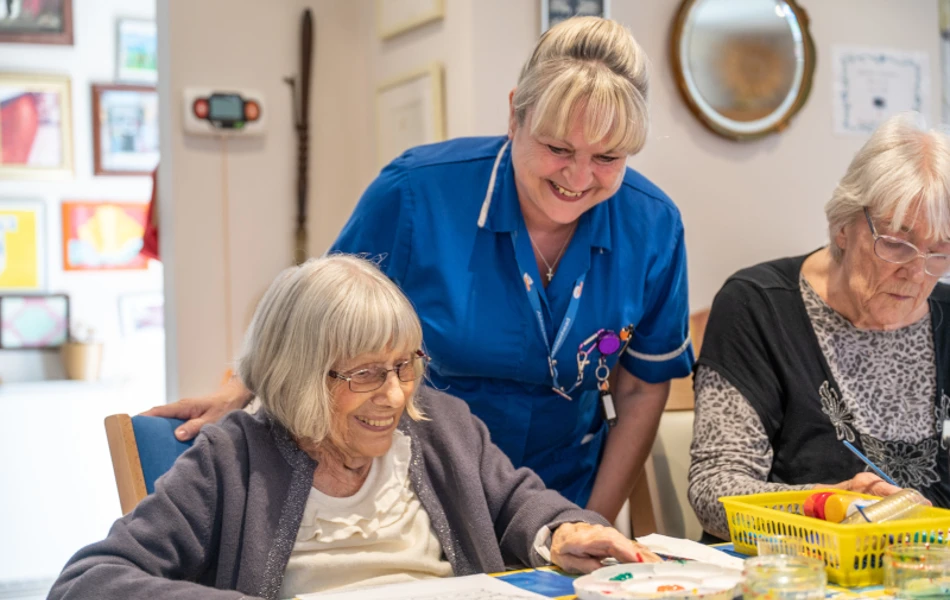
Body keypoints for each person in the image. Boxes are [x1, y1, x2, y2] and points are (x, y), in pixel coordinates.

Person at [147, 16, 693, 521]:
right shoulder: (416, 195)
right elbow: (310, 320)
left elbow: (643, 390)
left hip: (562, 493)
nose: (578, 177)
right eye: (557, 147)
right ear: (514, 114)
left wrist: (587, 520)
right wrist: (242, 386)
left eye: (607, 158)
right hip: (411, 495)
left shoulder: (653, 226)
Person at [50, 256, 658, 599]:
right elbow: (87, 582)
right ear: (299, 373)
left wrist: (565, 530)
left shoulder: (442, 428)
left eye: (405, 366)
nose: (393, 396)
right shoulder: (232, 459)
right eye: (365, 375)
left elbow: (522, 504)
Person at [688, 113, 950, 541]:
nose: (916, 274)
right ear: (844, 226)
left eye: (939, 253)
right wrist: (830, 504)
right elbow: (715, 491)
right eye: (896, 244)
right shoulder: (758, 307)